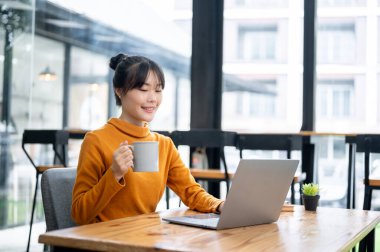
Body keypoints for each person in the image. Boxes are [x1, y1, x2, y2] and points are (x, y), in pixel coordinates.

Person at [71, 53, 224, 225]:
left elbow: (191, 192)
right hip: (104, 241)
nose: (153, 98)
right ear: (119, 91)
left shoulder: (163, 144)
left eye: (158, 90)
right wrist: (114, 174)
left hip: (146, 237)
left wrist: (220, 205)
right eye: (143, 90)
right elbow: (79, 213)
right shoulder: (96, 140)